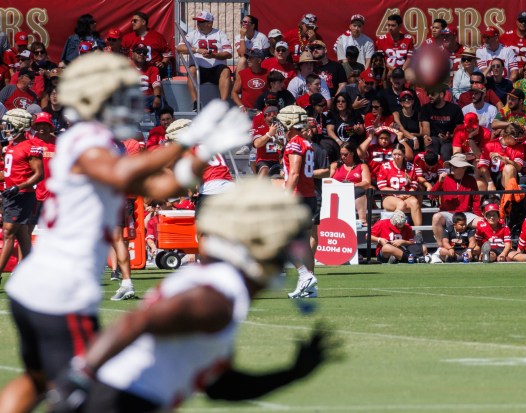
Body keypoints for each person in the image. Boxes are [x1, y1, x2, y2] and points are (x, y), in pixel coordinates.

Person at [0, 53, 251, 413]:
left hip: (41, 284)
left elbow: (162, 188)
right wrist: (186, 140)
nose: (128, 104)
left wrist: (203, 151)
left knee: (38, 380)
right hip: (61, 289)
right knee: (88, 392)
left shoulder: (92, 140)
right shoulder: (86, 137)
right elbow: (120, 176)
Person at [45, 178, 337, 413]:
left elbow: (221, 387)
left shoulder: (217, 286)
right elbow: (138, 323)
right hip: (118, 401)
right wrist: (80, 376)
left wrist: (292, 373)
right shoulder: (216, 299)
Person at [276, 105, 319, 298]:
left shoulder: (294, 143)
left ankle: (304, 275)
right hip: (309, 196)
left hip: (297, 197)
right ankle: (310, 286)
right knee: (303, 241)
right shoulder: (306, 142)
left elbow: (294, 172)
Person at [0, 108, 43, 278]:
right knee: (22, 235)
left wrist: (18, 187)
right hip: (11, 194)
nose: (5, 128)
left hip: (22, 195)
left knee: (9, 232)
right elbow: (9, 172)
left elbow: (39, 174)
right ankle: (32, 273)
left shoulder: (30, 147)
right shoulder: (11, 145)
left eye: (8, 125)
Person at [177, 11, 233, 107]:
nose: (198, 24)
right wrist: (197, 50)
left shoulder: (220, 34)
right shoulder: (192, 34)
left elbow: (228, 53)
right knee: (191, 70)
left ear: (209, 23)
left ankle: (223, 104)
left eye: (201, 22)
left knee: (226, 71)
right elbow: (179, 48)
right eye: (198, 21)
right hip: (199, 69)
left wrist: (214, 56)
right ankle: (196, 103)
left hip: (216, 68)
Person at [430, 153, 482, 246]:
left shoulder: (471, 180)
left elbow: (476, 200)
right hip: (448, 213)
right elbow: (431, 196)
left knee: (481, 223)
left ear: (464, 168)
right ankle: (441, 247)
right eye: (451, 165)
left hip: (465, 214)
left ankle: (476, 248)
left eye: (455, 166)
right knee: (436, 217)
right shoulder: (444, 179)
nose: (452, 167)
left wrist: (478, 215)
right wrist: (439, 182)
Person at [377, 142, 430, 229]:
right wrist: (397, 193)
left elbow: (415, 183)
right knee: (401, 204)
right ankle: (393, 230)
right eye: (394, 154)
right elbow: (381, 186)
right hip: (389, 197)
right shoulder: (385, 166)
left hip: (406, 195)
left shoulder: (409, 167)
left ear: (404, 155)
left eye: (399, 154)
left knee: (415, 202)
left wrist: (408, 193)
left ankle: (419, 232)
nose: (396, 157)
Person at [26, 112, 56, 232]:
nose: (42, 127)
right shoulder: (29, 144)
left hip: (55, 194)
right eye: (39, 124)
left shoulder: (59, 143)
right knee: (29, 227)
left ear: (50, 126)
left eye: (45, 124)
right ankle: (27, 251)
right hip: (35, 194)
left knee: (55, 229)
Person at [121, 11, 173, 78]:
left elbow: (167, 53)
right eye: (132, 21)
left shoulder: (157, 37)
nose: (132, 23)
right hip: (133, 72)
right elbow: (122, 54)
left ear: (143, 22)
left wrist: (162, 63)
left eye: (135, 21)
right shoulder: (127, 38)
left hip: (153, 71)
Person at [330, 141, 371, 225]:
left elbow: (367, 182)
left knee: (360, 191)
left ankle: (362, 220)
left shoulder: (362, 166)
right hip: (337, 191)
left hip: (354, 191)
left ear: (352, 153)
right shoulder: (335, 165)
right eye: (341, 154)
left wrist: (352, 185)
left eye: (346, 154)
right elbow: (328, 179)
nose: (343, 157)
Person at [420, 87, 464, 161]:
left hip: (449, 139)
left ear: (441, 94)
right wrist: (426, 136)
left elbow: (460, 130)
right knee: (431, 152)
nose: (429, 96)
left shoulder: (455, 109)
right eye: (428, 94)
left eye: (432, 94)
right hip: (433, 138)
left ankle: (446, 171)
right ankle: (431, 171)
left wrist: (450, 136)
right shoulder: (426, 108)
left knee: (446, 152)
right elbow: (425, 127)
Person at [478, 122, 525, 190]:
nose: (518, 141)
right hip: (492, 177)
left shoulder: (518, 147)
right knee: (479, 183)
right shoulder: (490, 145)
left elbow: (518, 167)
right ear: (509, 136)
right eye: (516, 139)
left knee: (509, 168)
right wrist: (490, 183)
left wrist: (504, 159)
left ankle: (508, 199)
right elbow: (483, 167)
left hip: (508, 178)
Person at [130, 43, 163, 118]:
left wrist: (157, 97)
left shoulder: (152, 68)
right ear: (132, 53)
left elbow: (156, 85)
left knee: (161, 100)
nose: (141, 54)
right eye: (138, 52)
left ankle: (160, 127)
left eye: (144, 53)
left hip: (147, 99)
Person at [231, 48, 268, 113]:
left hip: (263, 111)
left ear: (259, 60)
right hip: (247, 110)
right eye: (247, 57)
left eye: (251, 58)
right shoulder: (242, 74)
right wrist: (241, 106)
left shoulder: (268, 74)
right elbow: (234, 92)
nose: (248, 60)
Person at [251, 105, 282, 177]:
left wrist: (278, 140)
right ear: (264, 117)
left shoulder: (282, 129)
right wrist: (269, 134)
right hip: (263, 159)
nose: (272, 115)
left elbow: (286, 144)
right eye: (269, 113)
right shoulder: (260, 129)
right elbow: (257, 144)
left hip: (278, 159)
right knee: (264, 169)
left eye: (274, 113)